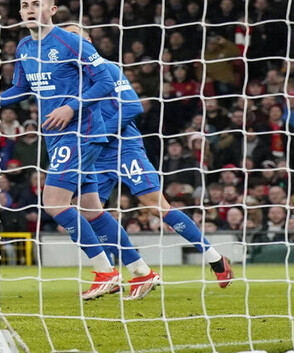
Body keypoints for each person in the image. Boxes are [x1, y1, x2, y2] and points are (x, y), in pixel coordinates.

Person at [0, 0, 151, 300]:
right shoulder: (25, 46)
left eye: (37, 4)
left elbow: (106, 82)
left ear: (52, 9)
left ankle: (105, 271)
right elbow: (20, 88)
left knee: (54, 203)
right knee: (92, 209)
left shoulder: (71, 41)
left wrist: (71, 107)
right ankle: (141, 271)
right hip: (56, 136)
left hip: (81, 132)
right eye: (24, 5)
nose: (30, 10)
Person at [60, 22, 233, 292]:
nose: (70, 42)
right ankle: (127, 272)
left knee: (156, 206)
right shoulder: (68, 79)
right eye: (66, 38)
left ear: (88, 40)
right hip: (93, 154)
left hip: (123, 148)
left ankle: (215, 259)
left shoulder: (106, 68)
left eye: (75, 36)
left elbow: (131, 106)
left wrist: (99, 132)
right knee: (86, 213)